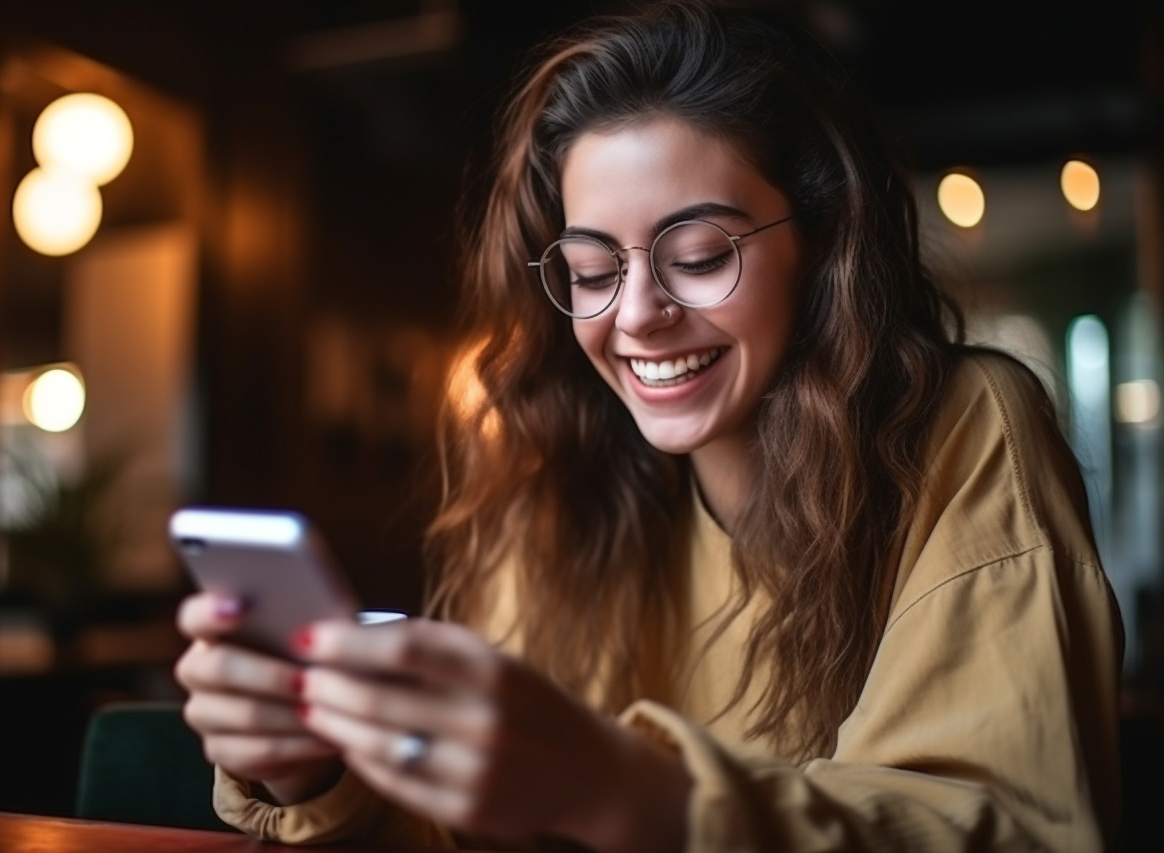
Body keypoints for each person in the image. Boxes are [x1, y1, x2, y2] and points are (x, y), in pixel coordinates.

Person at [173, 1, 1124, 850]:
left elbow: (999, 822)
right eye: (592, 271)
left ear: (827, 244)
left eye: (701, 255)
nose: (635, 315)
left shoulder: (965, 428)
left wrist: (624, 787)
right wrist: (315, 769)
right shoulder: (555, 473)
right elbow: (472, 826)